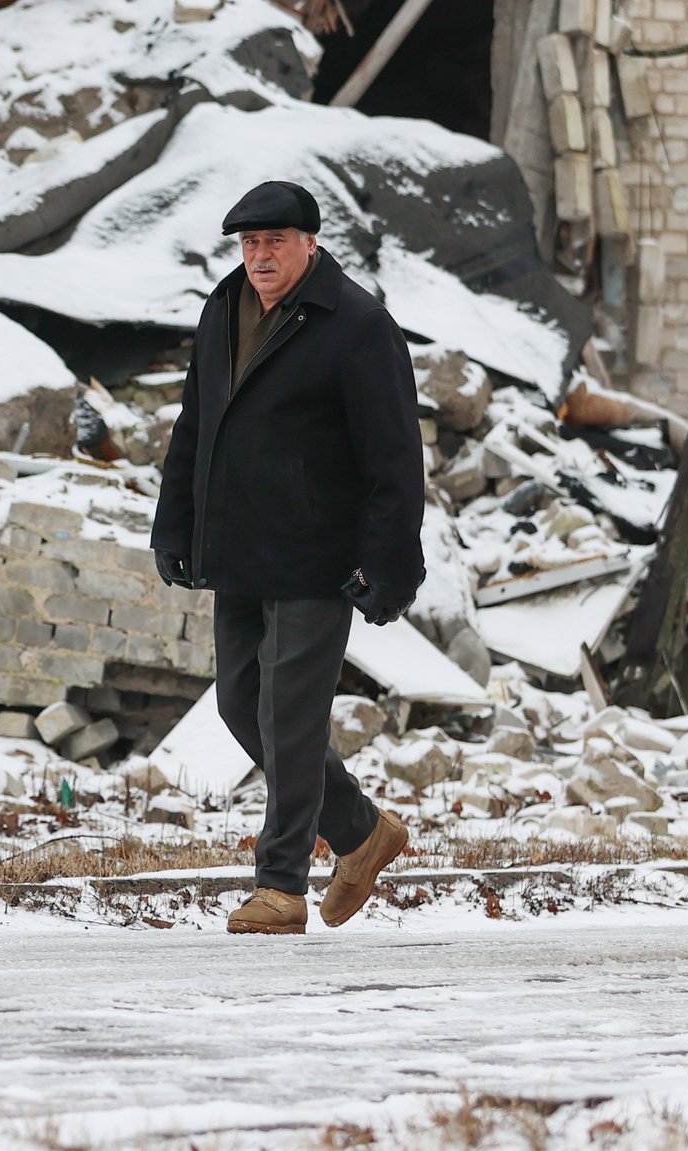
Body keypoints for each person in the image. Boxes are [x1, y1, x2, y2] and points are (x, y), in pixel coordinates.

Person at [151, 180, 425, 935]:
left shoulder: (358, 325)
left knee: (289, 715)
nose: (260, 256)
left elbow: (395, 456)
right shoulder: (223, 310)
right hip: (239, 547)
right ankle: (365, 831)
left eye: (274, 241)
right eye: (248, 243)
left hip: (316, 556)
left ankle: (281, 885)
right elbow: (195, 426)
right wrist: (174, 527)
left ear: (310, 242)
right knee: (244, 705)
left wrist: (389, 563)